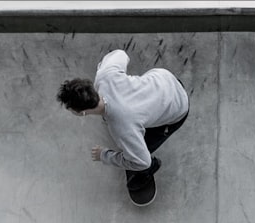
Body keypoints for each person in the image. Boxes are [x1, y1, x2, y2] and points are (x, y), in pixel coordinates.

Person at [57, 49, 189, 206]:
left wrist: (105, 155)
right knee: (133, 134)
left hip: (178, 108)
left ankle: (147, 171)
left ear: (82, 113)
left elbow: (142, 162)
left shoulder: (121, 127)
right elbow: (121, 54)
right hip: (165, 78)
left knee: (137, 155)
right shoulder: (105, 75)